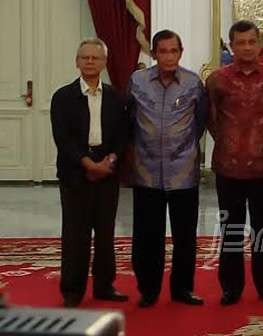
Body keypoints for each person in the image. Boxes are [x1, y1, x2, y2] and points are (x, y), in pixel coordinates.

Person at [206, 20, 263, 306]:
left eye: (251, 42)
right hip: (228, 166)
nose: (246, 47)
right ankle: (230, 287)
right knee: (230, 228)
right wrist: (232, 144)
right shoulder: (217, 80)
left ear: (260, 44)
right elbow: (212, 120)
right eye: (240, 42)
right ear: (231, 46)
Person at [128, 30, 207, 307]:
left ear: (181, 52)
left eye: (174, 51)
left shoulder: (193, 83)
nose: (169, 56)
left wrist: (181, 149)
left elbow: (200, 123)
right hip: (147, 170)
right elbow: (130, 120)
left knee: (185, 235)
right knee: (148, 235)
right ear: (154, 54)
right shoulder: (137, 81)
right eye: (163, 51)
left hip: (183, 171)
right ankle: (148, 289)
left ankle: (182, 289)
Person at [50, 38, 128, 307]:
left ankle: (105, 285)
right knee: (75, 234)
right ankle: (72, 291)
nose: (90, 62)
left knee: (105, 233)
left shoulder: (117, 97)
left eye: (96, 58)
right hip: (75, 174)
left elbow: (122, 135)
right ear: (77, 61)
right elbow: (63, 137)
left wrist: (110, 161)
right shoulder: (62, 97)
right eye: (85, 58)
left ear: (105, 63)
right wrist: (87, 163)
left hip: (108, 171)